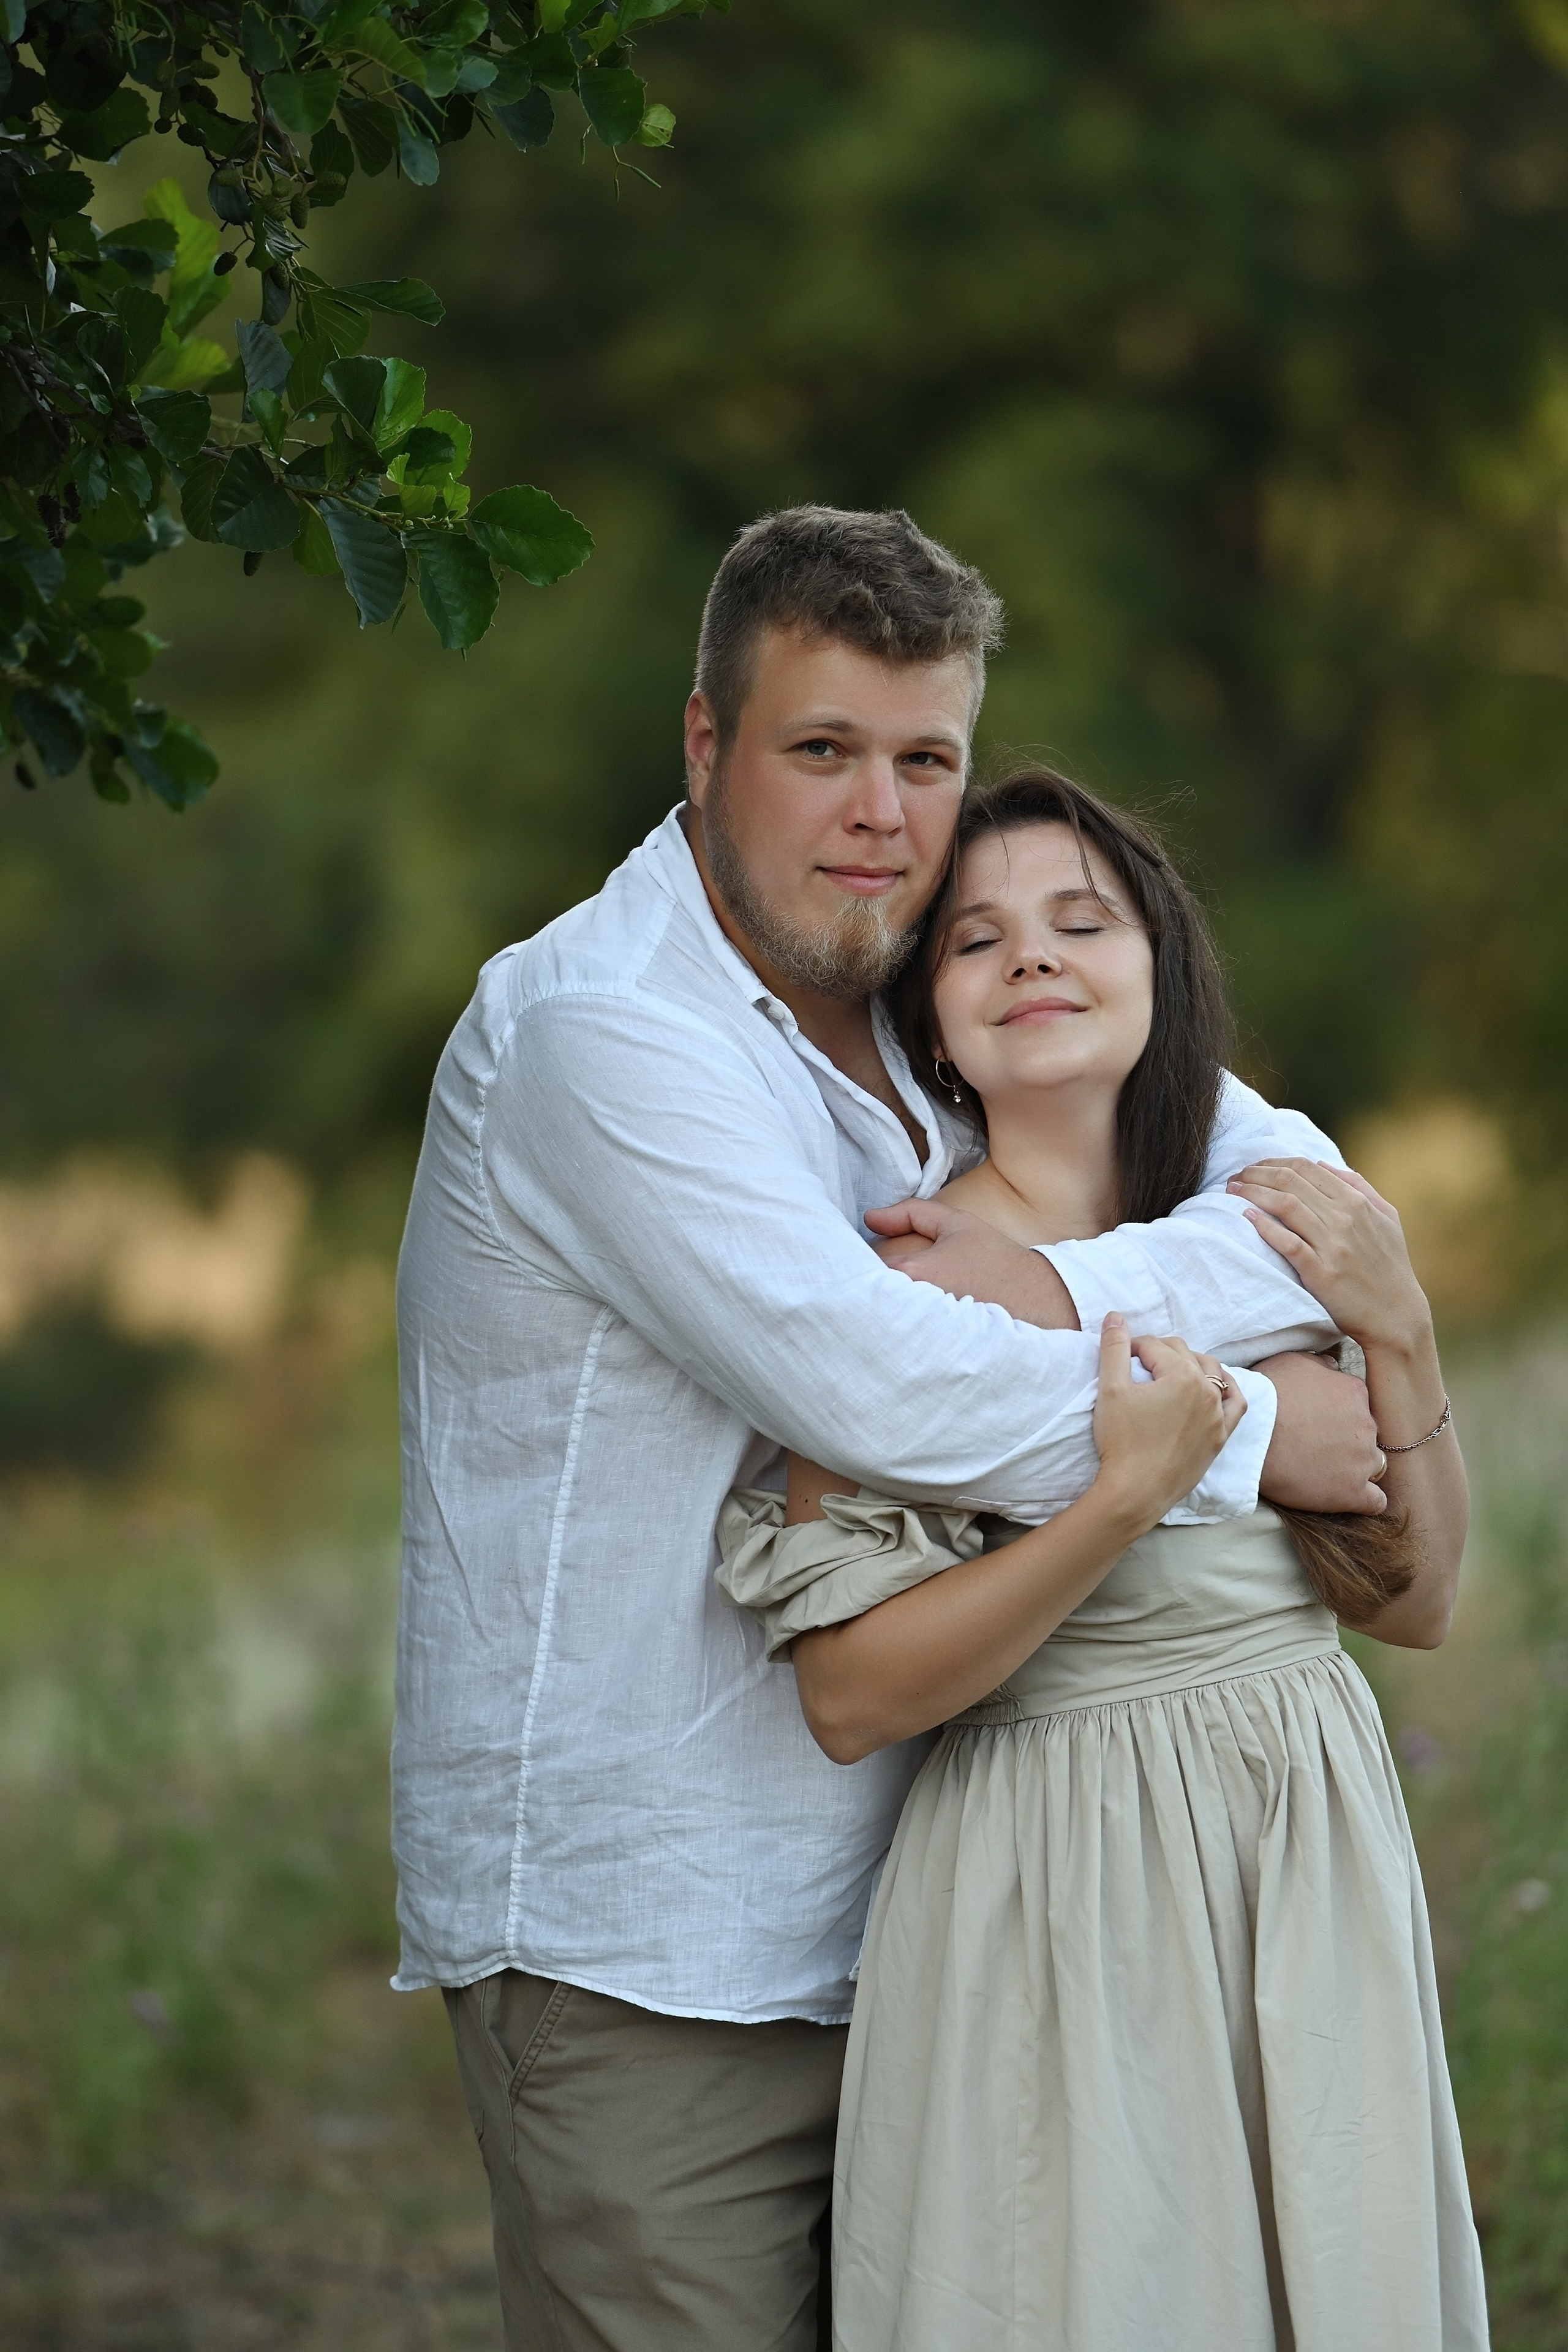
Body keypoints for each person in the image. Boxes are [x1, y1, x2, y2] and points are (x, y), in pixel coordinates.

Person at [393, 506, 1389, 2352]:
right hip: (658, 1959)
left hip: (950, 1926)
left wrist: (1054, 1296)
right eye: (822, 750)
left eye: (925, 759)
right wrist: (1251, 1426)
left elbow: (1300, 1179)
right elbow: (885, 1393)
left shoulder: (936, 991)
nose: (883, 816)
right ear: (705, 748)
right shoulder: (604, 1038)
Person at [720, 769, 1487, 2351]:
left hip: (1304, 1843)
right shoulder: (901, 1284)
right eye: (978, 940)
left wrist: (1401, 1334)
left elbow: (1417, 1604)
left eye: (1083, 922)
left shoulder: (1273, 1238)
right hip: (1054, 1879)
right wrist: (1116, 1505)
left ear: (1163, 972)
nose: (1035, 960)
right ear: (932, 1021)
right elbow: (853, 1697)